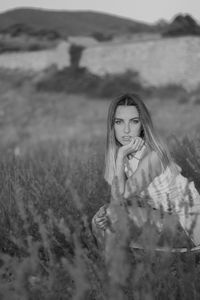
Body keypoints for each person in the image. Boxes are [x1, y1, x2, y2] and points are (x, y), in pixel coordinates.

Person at [92, 93, 200, 253]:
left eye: (134, 122)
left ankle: (121, 270)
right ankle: (113, 272)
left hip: (190, 225)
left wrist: (120, 154)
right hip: (171, 220)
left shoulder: (153, 156)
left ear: (142, 124)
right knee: (98, 220)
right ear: (112, 126)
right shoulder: (129, 156)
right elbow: (117, 201)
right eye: (119, 122)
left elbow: (121, 197)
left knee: (111, 216)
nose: (126, 130)